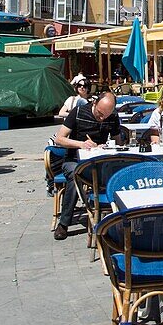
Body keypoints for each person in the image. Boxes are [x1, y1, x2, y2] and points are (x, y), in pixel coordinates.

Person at [53, 91, 123, 240]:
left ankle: (118, 218)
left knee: (119, 173)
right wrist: (80, 144)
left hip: (98, 161)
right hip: (74, 159)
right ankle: (63, 224)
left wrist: (108, 146)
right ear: (94, 103)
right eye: (99, 113)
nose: (102, 118)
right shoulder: (78, 112)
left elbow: (118, 142)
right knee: (75, 175)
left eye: (106, 115)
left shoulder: (112, 117)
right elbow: (59, 139)